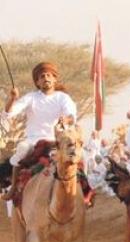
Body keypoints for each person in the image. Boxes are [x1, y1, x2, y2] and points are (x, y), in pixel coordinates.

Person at [1, 62, 77, 201]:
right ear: (37, 81)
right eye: (42, 76)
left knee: (75, 157)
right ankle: (13, 188)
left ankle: (83, 192)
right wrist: (12, 99)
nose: (45, 78)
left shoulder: (63, 98)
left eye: (49, 75)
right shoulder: (31, 97)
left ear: (54, 79)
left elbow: (71, 116)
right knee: (22, 149)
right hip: (33, 140)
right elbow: (8, 114)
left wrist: (65, 120)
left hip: (56, 140)